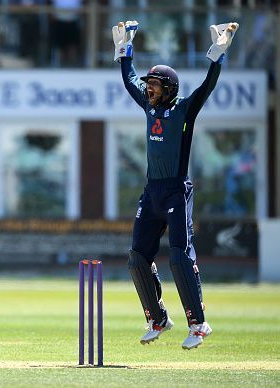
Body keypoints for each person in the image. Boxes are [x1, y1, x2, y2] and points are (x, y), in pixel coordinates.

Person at [113, 20, 239, 349]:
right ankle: (157, 318)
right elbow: (129, 82)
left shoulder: (183, 109)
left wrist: (218, 54)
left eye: (154, 85)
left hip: (175, 191)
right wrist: (124, 50)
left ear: (168, 88)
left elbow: (206, 89)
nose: (148, 89)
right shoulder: (149, 106)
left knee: (180, 257)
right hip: (151, 191)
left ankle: (198, 324)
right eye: (149, 85)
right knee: (137, 257)